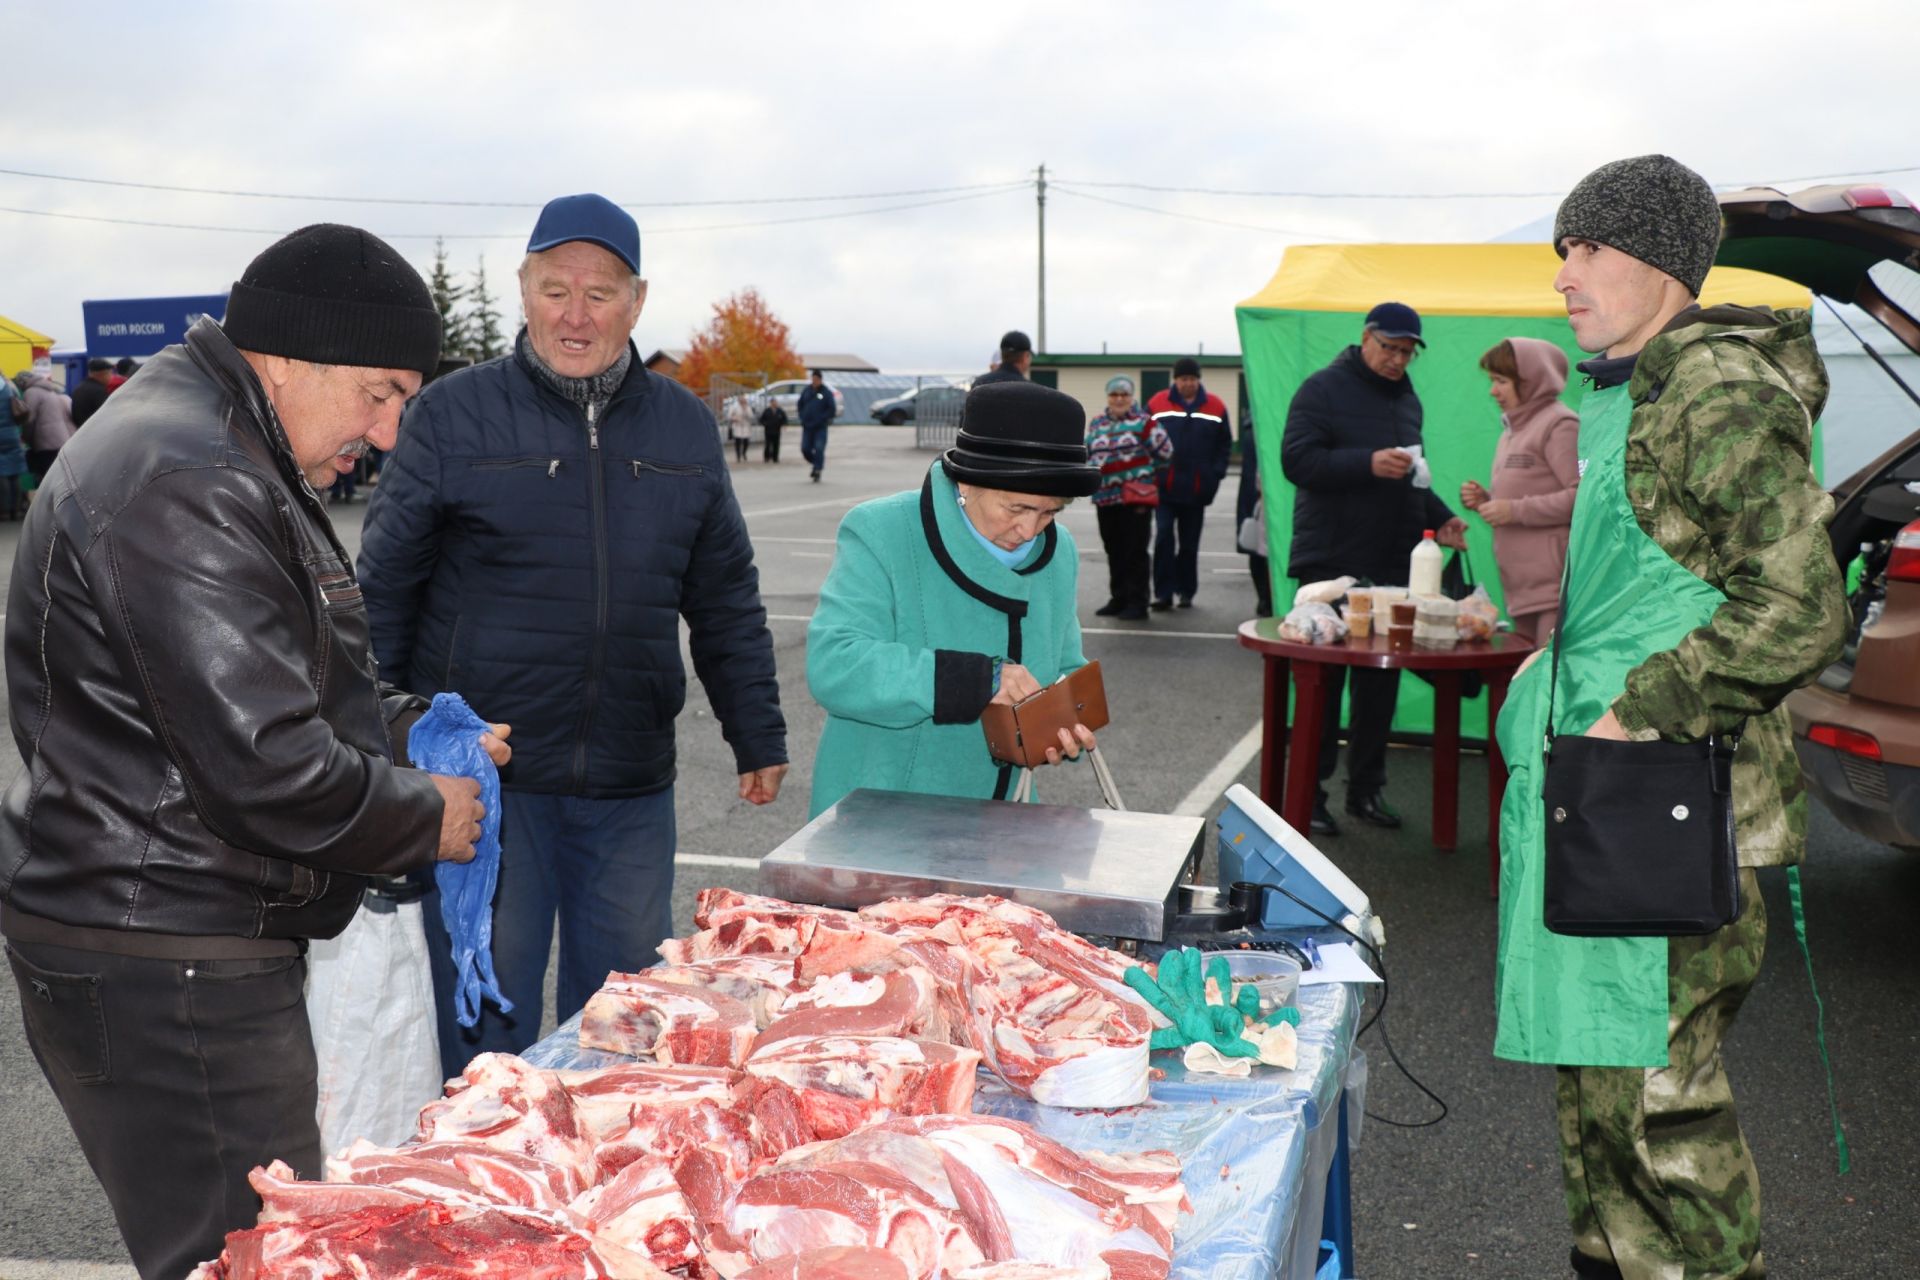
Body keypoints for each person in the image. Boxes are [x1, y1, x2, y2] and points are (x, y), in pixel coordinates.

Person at [0, 224, 497, 1280]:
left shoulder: (212, 440)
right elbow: (266, 769)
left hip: (166, 923)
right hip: (168, 945)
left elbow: (254, 678)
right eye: (380, 391)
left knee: (241, 1249)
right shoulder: (192, 470)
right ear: (290, 356)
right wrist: (425, 815)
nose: (393, 430)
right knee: (249, 1259)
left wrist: (407, 724)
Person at [1493, 155, 1847, 1280]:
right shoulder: (1628, 390)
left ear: (1655, 258)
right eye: (1562, 250)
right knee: (1600, 1084)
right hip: (1612, 793)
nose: (1564, 276)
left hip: (1673, 795)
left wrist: (1635, 711)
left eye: (1586, 248)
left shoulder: (1714, 390)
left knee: (1657, 1101)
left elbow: (1799, 605)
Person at [358, 192, 787, 1077]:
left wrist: (757, 730)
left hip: (630, 783)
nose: (576, 314)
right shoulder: (451, 415)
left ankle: (598, 1206)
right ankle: (480, 1199)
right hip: (487, 781)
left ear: (637, 301)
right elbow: (384, 592)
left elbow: (724, 594)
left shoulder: (682, 424)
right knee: (486, 1031)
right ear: (523, 291)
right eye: (555, 289)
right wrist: (379, 742)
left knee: (620, 1031)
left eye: (600, 293)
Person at [808, 380, 1099, 815]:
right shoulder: (882, 531)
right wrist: (977, 680)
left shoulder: (1061, 554)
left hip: (1004, 825)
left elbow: (1063, 667)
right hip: (880, 822)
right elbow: (836, 665)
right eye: (1016, 508)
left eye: (1050, 511)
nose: (1030, 530)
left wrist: (1061, 726)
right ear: (965, 481)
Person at [1281, 302, 1468, 834]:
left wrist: (1444, 519)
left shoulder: (1407, 398)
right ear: (1366, 338)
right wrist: (1365, 462)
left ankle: (1366, 790)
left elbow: (1416, 478)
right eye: (1390, 348)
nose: (1398, 360)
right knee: (1324, 682)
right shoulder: (1322, 389)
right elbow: (1296, 461)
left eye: (1407, 352)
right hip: (1333, 563)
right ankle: (1309, 799)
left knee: (1378, 685)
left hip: (1393, 562)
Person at [1459, 338, 1581, 644]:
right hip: (1520, 588)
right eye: (1492, 381)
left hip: (1554, 588)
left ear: (1532, 380)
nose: (1493, 391)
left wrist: (1513, 510)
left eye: (1501, 381)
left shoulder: (1560, 424)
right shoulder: (1513, 429)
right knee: (1523, 680)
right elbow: (1532, 490)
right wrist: (1488, 502)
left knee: (1544, 682)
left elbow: (1582, 497)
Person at [1146, 357, 1233, 609]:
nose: (1188, 384)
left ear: (1199, 379)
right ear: (1175, 380)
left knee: (1189, 543)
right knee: (1163, 538)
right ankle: (1163, 593)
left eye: (1192, 379)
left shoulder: (1215, 406)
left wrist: (1215, 474)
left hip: (1197, 490)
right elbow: (1144, 437)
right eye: (1184, 379)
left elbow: (1224, 444)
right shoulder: (1157, 403)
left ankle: (1186, 591)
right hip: (1164, 488)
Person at [1085, 374, 1172, 620]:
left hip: (1135, 501)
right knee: (1113, 549)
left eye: (1124, 394)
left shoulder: (1145, 423)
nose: (1119, 399)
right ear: (1108, 397)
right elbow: (1088, 453)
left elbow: (1166, 452)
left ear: (1132, 397)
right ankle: (1119, 597)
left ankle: (1138, 601)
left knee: (1135, 551)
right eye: (1114, 394)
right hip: (1105, 499)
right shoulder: (1097, 424)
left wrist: (1143, 475)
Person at [1235, 409, 1273, 618]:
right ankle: (1265, 598)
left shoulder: (1255, 426)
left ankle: (1267, 599)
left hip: (1259, 496)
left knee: (1261, 550)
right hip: (1256, 497)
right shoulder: (1254, 427)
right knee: (1257, 551)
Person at [14, 367, 76, 484]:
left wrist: (25, 437)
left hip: (45, 442)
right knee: (58, 477)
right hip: (60, 438)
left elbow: (29, 419)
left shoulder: (31, 392)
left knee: (46, 478)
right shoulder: (49, 390)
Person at [797, 367, 835, 481]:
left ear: (820, 379)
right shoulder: (807, 391)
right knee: (805, 449)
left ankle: (817, 470)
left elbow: (831, 409)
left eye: (816, 379)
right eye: (813, 379)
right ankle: (816, 464)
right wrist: (802, 417)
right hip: (807, 426)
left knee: (819, 448)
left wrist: (823, 418)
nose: (814, 381)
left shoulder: (826, 392)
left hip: (820, 427)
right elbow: (800, 404)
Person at [0, 378, 26, 518]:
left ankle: (3, 511)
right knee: (14, 473)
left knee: (2, 474)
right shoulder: (9, 386)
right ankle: (15, 510)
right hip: (12, 433)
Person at [69, 356, 114, 427]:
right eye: (110, 373)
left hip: (80, 430)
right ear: (102, 374)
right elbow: (106, 415)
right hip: (94, 430)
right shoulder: (98, 391)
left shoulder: (80, 387)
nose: (111, 377)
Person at [759, 397, 787, 462]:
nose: (775, 403)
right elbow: (761, 419)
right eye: (773, 402)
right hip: (768, 430)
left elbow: (784, 419)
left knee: (776, 444)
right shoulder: (767, 411)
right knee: (768, 444)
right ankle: (767, 457)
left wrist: (784, 424)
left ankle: (775, 457)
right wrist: (765, 424)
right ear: (771, 403)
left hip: (777, 430)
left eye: (776, 402)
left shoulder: (780, 411)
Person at [727, 393, 753, 463]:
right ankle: (738, 456)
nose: (742, 401)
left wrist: (745, 408)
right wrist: (734, 418)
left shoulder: (747, 407)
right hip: (737, 426)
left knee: (746, 441)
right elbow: (729, 416)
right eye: (741, 399)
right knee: (737, 441)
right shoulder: (734, 407)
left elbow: (751, 416)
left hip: (746, 426)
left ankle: (744, 452)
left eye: (743, 399)